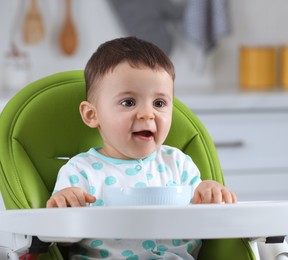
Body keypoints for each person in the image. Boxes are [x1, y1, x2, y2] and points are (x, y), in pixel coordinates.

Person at [46, 36, 237, 259]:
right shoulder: (81, 171)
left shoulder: (178, 163)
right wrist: (65, 206)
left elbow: (210, 224)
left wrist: (211, 194)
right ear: (92, 114)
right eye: (128, 102)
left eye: (159, 103)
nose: (148, 113)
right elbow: (58, 238)